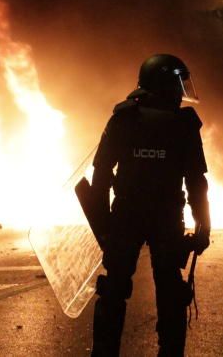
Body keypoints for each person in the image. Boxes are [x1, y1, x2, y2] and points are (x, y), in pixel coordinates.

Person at [89, 54, 211, 357]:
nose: (182, 90)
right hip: (167, 217)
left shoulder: (123, 117)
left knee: (113, 289)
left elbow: (101, 173)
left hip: (125, 215)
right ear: (166, 84)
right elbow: (196, 181)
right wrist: (203, 226)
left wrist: (103, 226)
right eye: (178, 83)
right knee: (171, 291)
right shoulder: (184, 125)